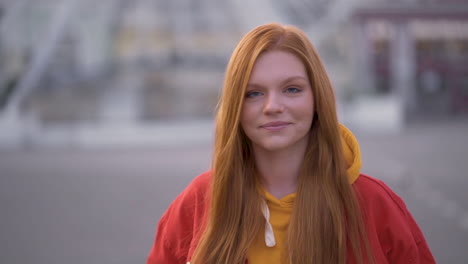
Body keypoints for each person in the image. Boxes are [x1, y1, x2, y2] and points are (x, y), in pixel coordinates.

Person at [146, 23, 435, 264]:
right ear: (235, 105)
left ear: (317, 98)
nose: (273, 106)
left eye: (292, 89)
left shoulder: (374, 204)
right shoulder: (198, 202)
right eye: (253, 93)